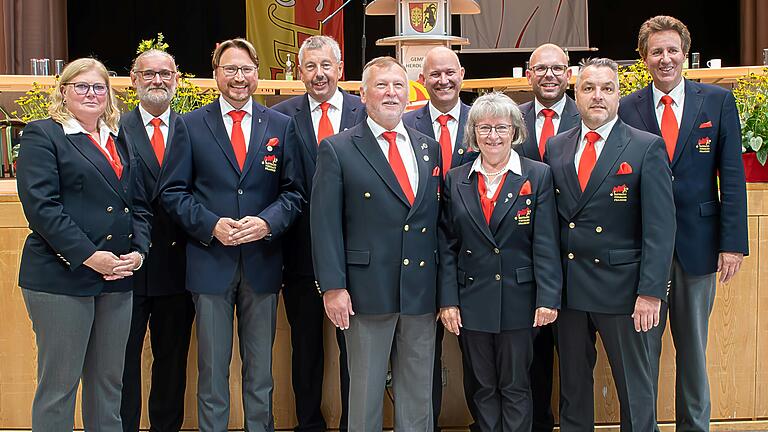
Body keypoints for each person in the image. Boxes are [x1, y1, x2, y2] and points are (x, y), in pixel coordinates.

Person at [160, 38, 304, 432]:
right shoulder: (189, 126)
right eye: (230, 69)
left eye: (245, 69)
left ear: (257, 74)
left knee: (261, 374)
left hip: (262, 266)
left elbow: (294, 192)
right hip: (210, 266)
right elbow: (172, 192)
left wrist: (268, 222)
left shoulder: (280, 125)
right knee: (212, 374)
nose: (239, 78)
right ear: (216, 75)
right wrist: (210, 225)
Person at [618, 16, 749, 432]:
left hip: (699, 246)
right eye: (656, 51)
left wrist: (733, 243)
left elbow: (731, 175)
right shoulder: (627, 107)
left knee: (693, 352)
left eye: (672, 50)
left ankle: (695, 427)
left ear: (685, 54)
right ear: (643, 58)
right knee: (644, 353)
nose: (665, 58)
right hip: (643, 251)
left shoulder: (716, 101)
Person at [16, 57, 152, 431]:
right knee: (59, 388)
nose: (91, 93)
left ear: (109, 94)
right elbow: (42, 208)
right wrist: (90, 256)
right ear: (64, 92)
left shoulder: (118, 138)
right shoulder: (43, 134)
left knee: (109, 387)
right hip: (62, 278)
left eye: (99, 87)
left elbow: (138, 205)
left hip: (118, 278)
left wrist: (139, 254)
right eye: (82, 86)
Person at [311, 56, 441, 432]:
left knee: (418, 398)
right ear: (363, 94)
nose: (391, 93)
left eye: (398, 85)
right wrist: (333, 287)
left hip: (418, 292)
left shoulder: (427, 147)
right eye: (381, 86)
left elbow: (434, 222)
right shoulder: (337, 148)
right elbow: (324, 225)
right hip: (365, 293)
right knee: (364, 398)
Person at [545, 58, 675, 431]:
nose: (597, 96)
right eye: (588, 88)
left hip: (624, 291)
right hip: (570, 289)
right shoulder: (556, 146)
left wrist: (651, 292)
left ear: (619, 96)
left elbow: (660, 228)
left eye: (606, 88)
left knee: (635, 389)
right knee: (572, 388)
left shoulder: (645, 147)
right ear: (576, 93)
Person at [438, 91, 562, 432]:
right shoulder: (456, 179)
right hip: (471, 298)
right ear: (473, 134)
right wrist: (448, 300)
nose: (493, 136)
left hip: (520, 299)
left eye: (501, 128)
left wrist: (548, 297)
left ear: (515, 132)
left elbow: (547, 241)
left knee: (516, 385)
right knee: (482, 387)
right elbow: (447, 244)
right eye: (484, 128)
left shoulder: (537, 176)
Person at [272, 35, 365, 432]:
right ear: (300, 71)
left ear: (340, 69)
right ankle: (308, 423)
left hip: (358, 256)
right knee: (305, 348)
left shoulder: (367, 112)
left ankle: (353, 424)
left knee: (355, 352)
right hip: (300, 256)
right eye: (310, 67)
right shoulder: (279, 116)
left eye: (325, 65)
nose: (318, 74)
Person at [402, 46, 479, 431]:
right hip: (419, 256)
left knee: (479, 353)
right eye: (434, 74)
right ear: (422, 79)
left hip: (475, 259)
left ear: (462, 74)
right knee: (420, 356)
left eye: (450, 72)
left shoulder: (484, 122)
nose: (443, 81)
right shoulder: (406, 125)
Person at [119, 49, 195, 432]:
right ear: (133, 79)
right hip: (126, 265)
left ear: (177, 79)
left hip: (179, 265)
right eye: (148, 74)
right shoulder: (114, 128)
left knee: (172, 361)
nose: (157, 81)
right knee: (122, 362)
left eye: (165, 74)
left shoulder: (193, 129)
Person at [516, 43, 581, 432]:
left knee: (574, 355)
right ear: (529, 74)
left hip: (577, 257)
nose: (549, 75)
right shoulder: (513, 118)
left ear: (569, 73)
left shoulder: (589, 113)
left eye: (558, 68)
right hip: (525, 258)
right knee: (532, 354)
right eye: (541, 69)